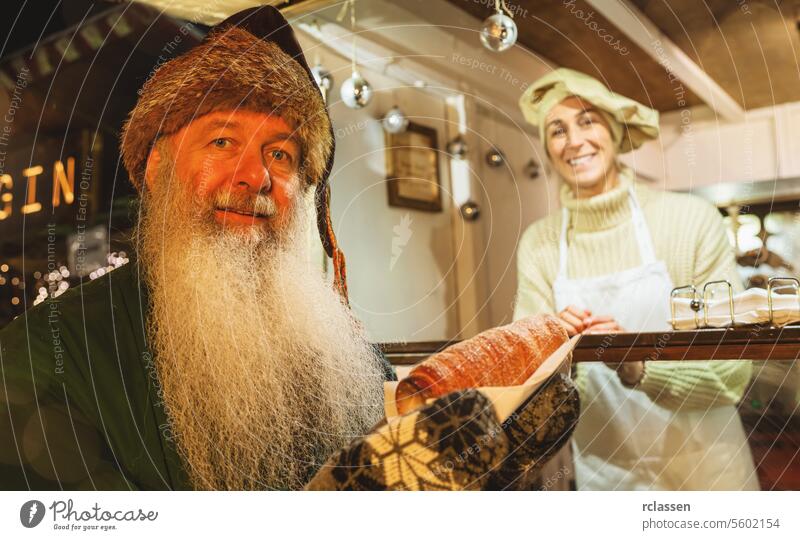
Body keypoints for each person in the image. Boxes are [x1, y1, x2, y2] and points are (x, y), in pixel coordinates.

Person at [0, 7, 574, 491]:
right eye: (222, 141)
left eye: (281, 155)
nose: (255, 176)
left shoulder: (349, 362)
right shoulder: (43, 358)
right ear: (157, 167)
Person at [514, 68, 758, 490]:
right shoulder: (540, 243)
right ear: (549, 149)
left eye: (587, 120)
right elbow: (527, 376)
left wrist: (638, 366)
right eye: (557, 130)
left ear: (614, 132)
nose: (573, 141)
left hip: (708, 472)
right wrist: (563, 352)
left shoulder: (688, 220)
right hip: (607, 477)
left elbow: (733, 373)